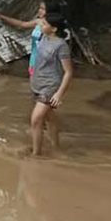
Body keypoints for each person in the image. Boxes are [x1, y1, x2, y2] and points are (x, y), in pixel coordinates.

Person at [29, 12, 73, 157]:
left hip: (50, 86)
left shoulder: (61, 46)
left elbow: (68, 72)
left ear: (54, 29)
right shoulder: (43, 38)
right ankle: (56, 147)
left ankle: (36, 155)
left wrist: (59, 93)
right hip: (37, 83)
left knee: (36, 119)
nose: (41, 25)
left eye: (45, 24)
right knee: (49, 117)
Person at [0, 2, 49, 76]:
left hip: (46, 58)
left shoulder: (51, 26)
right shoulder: (38, 22)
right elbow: (22, 24)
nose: (39, 10)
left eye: (43, 9)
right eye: (40, 8)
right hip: (35, 57)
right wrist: (1, 16)